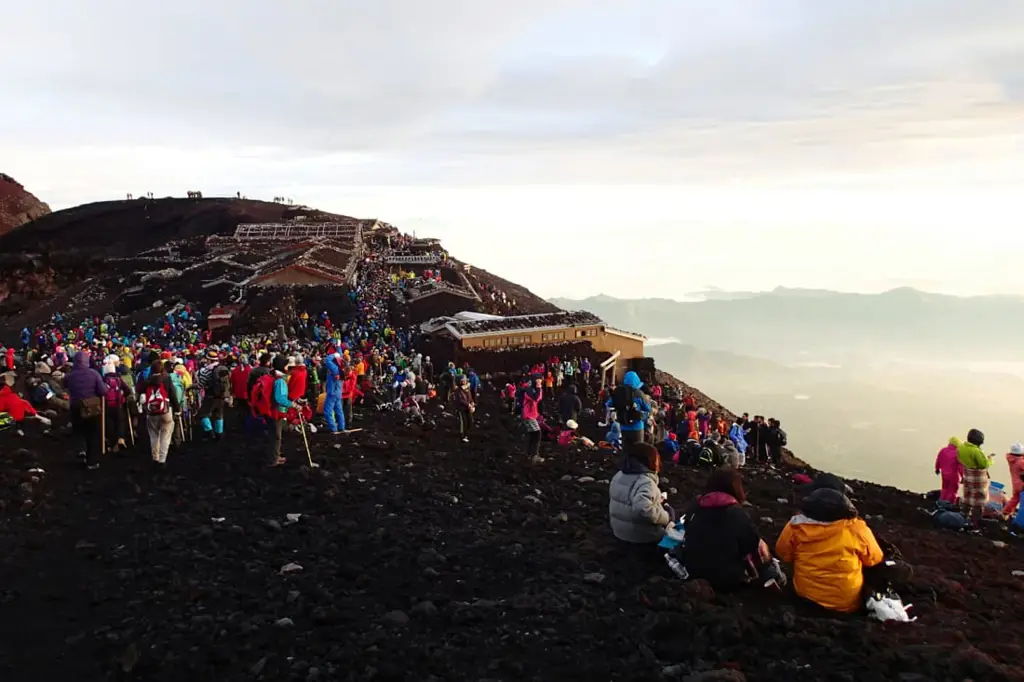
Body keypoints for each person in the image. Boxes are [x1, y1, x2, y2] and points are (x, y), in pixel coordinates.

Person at [775, 486, 884, 613]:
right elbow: (874, 559)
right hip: (845, 605)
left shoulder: (796, 527)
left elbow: (783, 554)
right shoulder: (856, 529)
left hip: (805, 597)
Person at [682, 467, 780, 590]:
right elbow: (751, 546)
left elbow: (687, 528)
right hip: (725, 580)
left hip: (692, 569)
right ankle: (771, 574)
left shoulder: (696, 504)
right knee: (758, 544)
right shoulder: (737, 514)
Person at [608, 442, 672, 544]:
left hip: (619, 532)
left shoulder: (619, 475)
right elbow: (642, 510)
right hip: (640, 537)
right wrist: (666, 517)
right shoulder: (645, 481)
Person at [65, 350, 108, 470]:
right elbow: (103, 391)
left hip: (76, 406)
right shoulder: (94, 374)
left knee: (79, 431)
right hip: (92, 407)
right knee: (93, 434)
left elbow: (65, 386)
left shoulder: (70, 376)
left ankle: (81, 450)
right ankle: (92, 462)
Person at [139, 360, 180, 465]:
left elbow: (139, 392)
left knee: (153, 435)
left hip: (151, 412)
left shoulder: (147, 380)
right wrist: (177, 409)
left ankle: (155, 458)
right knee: (165, 435)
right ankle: (162, 460)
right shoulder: (167, 379)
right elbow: (173, 395)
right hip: (166, 410)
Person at [957, 428, 993, 526]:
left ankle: (962, 518)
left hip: (967, 475)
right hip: (978, 478)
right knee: (979, 500)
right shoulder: (976, 451)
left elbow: (959, 459)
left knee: (967, 497)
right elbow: (983, 465)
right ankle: (975, 523)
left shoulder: (961, 447)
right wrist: (990, 459)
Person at [607, 371, 650, 445]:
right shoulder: (639, 394)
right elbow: (648, 409)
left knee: (626, 451)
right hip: (637, 427)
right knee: (638, 450)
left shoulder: (619, 392)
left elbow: (608, 404)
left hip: (623, 426)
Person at [268, 355, 292, 466]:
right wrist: (292, 404)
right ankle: (274, 459)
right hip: (277, 410)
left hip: (272, 409)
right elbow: (279, 398)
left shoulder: (273, 376)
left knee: (275, 435)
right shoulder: (280, 381)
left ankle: (276, 456)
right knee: (277, 436)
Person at [934, 437, 964, 504]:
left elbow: (938, 460)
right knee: (953, 490)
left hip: (944, 474)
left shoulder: (943, 450)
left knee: (944, 488)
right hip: (953, 475)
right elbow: (960, 467)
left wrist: (937, 468)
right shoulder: (957, 453)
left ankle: (940, 501)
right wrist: (963, 477)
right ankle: (948, 503)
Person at [520, 373, 543, 460]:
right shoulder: (529, 390)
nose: (541, 381)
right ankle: (534, 455)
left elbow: (539, 399)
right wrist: (538, 387)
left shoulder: (535, 389)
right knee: (537, 434)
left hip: (532, 414)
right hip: (528, 415)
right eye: (539, 379)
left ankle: (529, 454)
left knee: (533, 434)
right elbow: (536, 398)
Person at [323, 351, 346, 434]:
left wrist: (333, 355)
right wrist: (338, 348)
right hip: (338, 392)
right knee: (339, 410)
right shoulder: (342, 367)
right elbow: (339, 355)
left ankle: (333, 428)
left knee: (327, 411)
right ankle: (341, 427)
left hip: (332, 392)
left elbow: (327, 360)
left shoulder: (335, 368)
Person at [1003, 441, 1024, 518]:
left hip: (1015, 484)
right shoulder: (1021, 462)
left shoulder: (1012, 460)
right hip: (1022, 485)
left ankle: (1005, 512)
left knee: (1015, 499)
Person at [452, 375, 475, 443]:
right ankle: (462, 436)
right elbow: (460, 400)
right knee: (463, 422)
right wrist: (468, 404)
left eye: (465, 380)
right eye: (463, 380)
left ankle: (466, 434)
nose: (465, 381)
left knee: (470, 421)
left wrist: (472, 402)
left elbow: (470, 397)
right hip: (461, 408)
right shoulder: (458, 390)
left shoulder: (467, 389)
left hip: (467, 408)